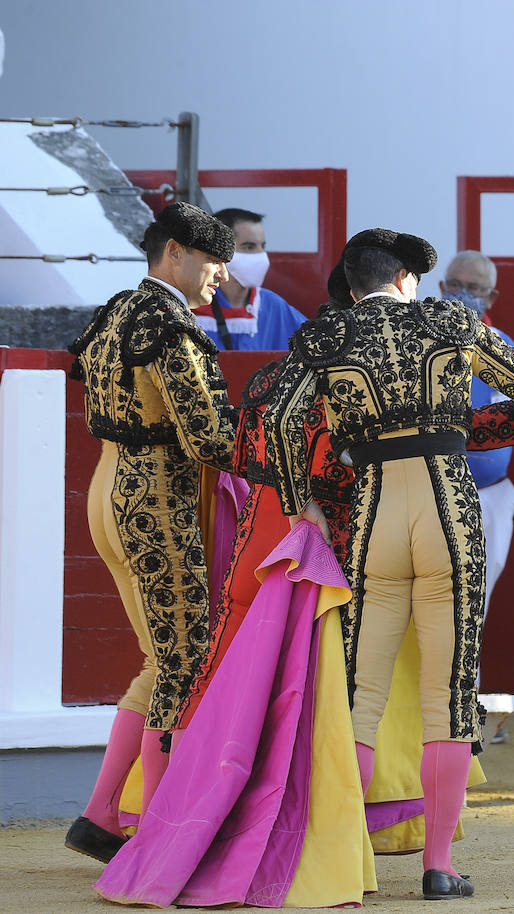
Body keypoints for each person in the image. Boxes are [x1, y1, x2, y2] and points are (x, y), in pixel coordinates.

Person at [261, 228, 514, 900]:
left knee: (363, 695)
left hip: (374, 518)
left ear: (351, 289)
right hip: (449, 514)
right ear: (407, 280)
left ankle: (341, 854)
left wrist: (303, 506)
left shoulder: (326, 336)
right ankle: (439, 865)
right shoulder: (451, 320)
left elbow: (282, 422)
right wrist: (473, 428)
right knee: (448, 695)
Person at [64, 202, 240, 863]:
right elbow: (209, 438)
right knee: (187, 662)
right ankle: (160, 830)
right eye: (211, 262)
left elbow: (85, 378)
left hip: (106, 490)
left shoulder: (114, 311)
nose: (218, 275)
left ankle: (104, 813)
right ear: (174, 253)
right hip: (157, 499)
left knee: (160, 661)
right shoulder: (172, 327)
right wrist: (285, 459)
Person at [438, 250, 514, 743]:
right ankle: (441, 713)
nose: (464, 294)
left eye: (475, 287)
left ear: (491, 296)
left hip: (492, 495)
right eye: (456, 284)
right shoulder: (418, 342)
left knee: (475, 598)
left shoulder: (503, 347)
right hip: (431, 491)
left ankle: (462, 708)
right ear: (440, 287)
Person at [191, 208, 307, 350]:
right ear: (219, 251)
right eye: (249, 247)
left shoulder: (272, 305)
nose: (261, 255)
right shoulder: (192, 307)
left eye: (262, 246)